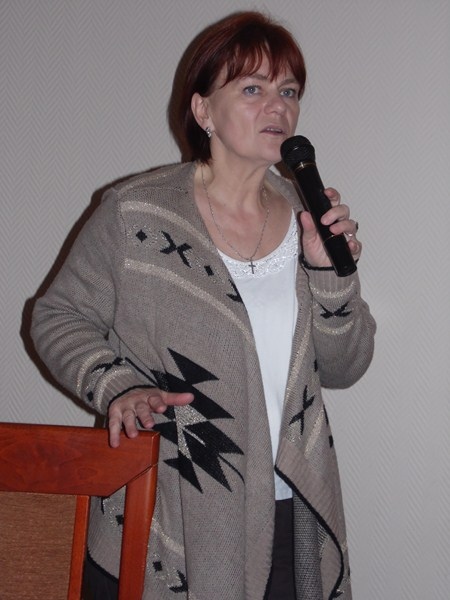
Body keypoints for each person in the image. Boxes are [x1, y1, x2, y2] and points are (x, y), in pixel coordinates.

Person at [31, 10, 375, 600]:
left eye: (289, 91)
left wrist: (328, 273)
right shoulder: (137, 213)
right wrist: (117, 385)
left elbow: (345, 367)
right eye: (253, 89)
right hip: (171, 502)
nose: (278, 106)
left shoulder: (307, 219)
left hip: (288, 505)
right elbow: (57, 317)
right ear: (203, 110)